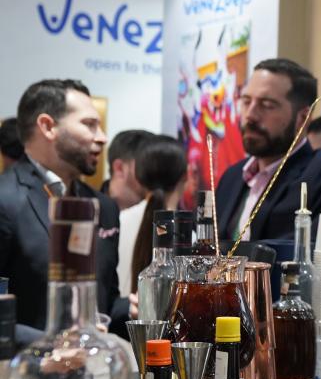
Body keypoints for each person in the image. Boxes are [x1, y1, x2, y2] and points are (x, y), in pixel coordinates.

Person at [0, 79, 126, 331]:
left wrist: (136, 307)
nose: (102, 138)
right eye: (89, 124)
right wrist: (51, 343)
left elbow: (106, 302)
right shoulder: (6, 200)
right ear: (48, 126)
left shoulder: (104, 207)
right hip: (27, 357)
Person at [215, 59, 321, 246]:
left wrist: (296, 249)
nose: (250, 115)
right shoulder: (232, 177)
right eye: (246, 101)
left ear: (303, 118)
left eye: (267, 105)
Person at [119, 135, 186, 297]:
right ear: (185, 176)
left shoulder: (119, 221)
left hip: (122, 313)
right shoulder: (188, 235)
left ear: (138, 176)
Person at [101, 129, 153, 211]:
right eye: (148, 164)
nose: (155, 172)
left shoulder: (158, 210)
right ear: (120, 168)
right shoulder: (90, 209)